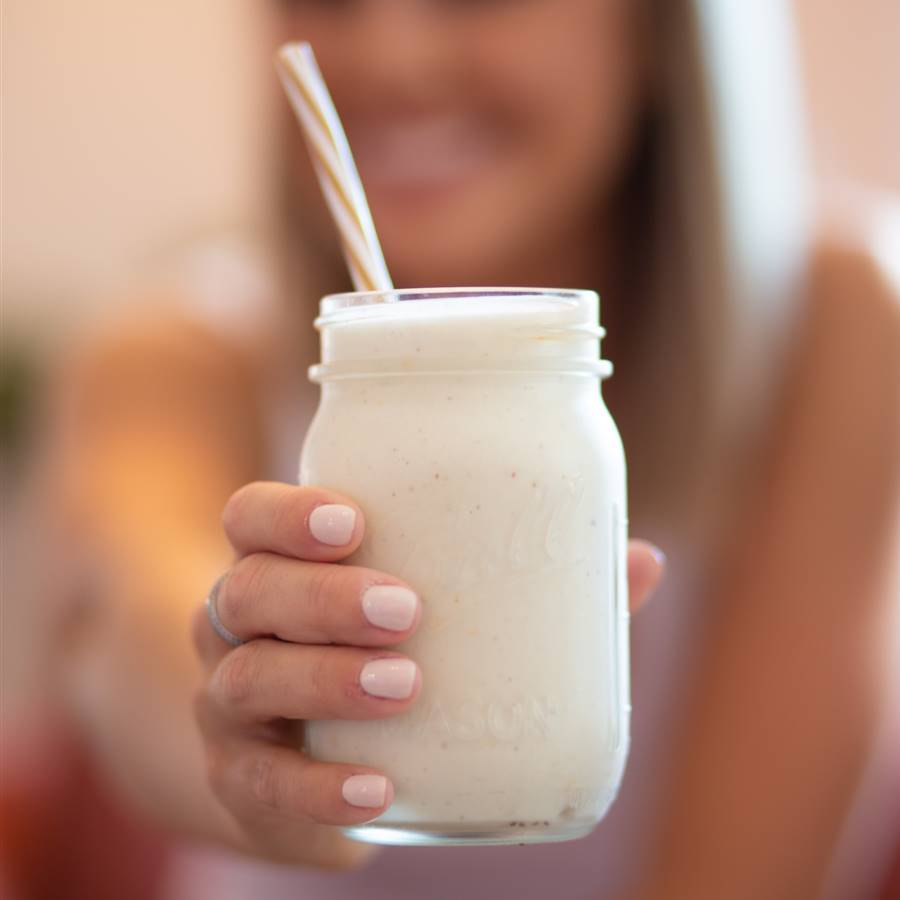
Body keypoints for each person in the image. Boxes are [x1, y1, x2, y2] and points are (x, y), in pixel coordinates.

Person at [35, 1, 900, 898]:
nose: (394, 58)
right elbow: (125, 624)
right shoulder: (177, 354)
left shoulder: (833, 326)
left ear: (656, 28)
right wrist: (240, 703)